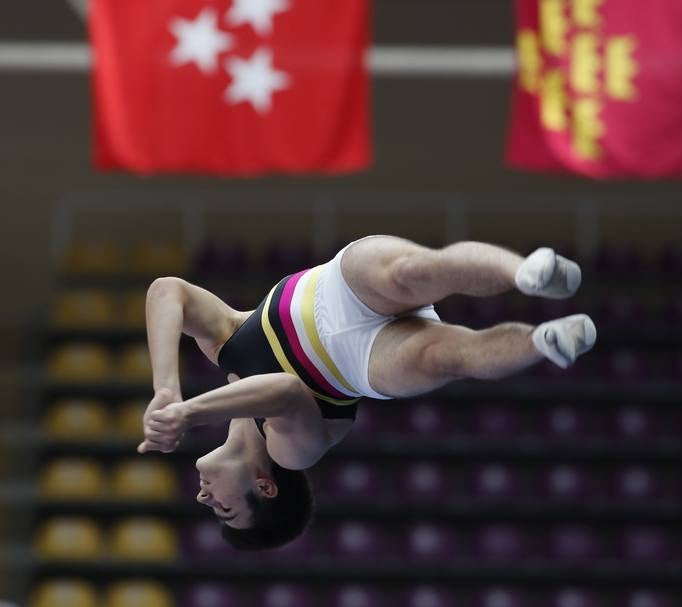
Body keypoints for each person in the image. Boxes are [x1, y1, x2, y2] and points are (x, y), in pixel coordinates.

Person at [138, 235, 596, 550]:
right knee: (448, 358)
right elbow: (284, 389)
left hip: (339, 288)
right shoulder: (294, 453)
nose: (204, 499)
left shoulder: (225, 349)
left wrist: (165, 388)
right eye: (225, 510)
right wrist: (189, 412)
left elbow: (167, 292)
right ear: (265, 487)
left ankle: (527, 273)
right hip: (362, 360)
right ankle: (545, 340)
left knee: (414, 270)